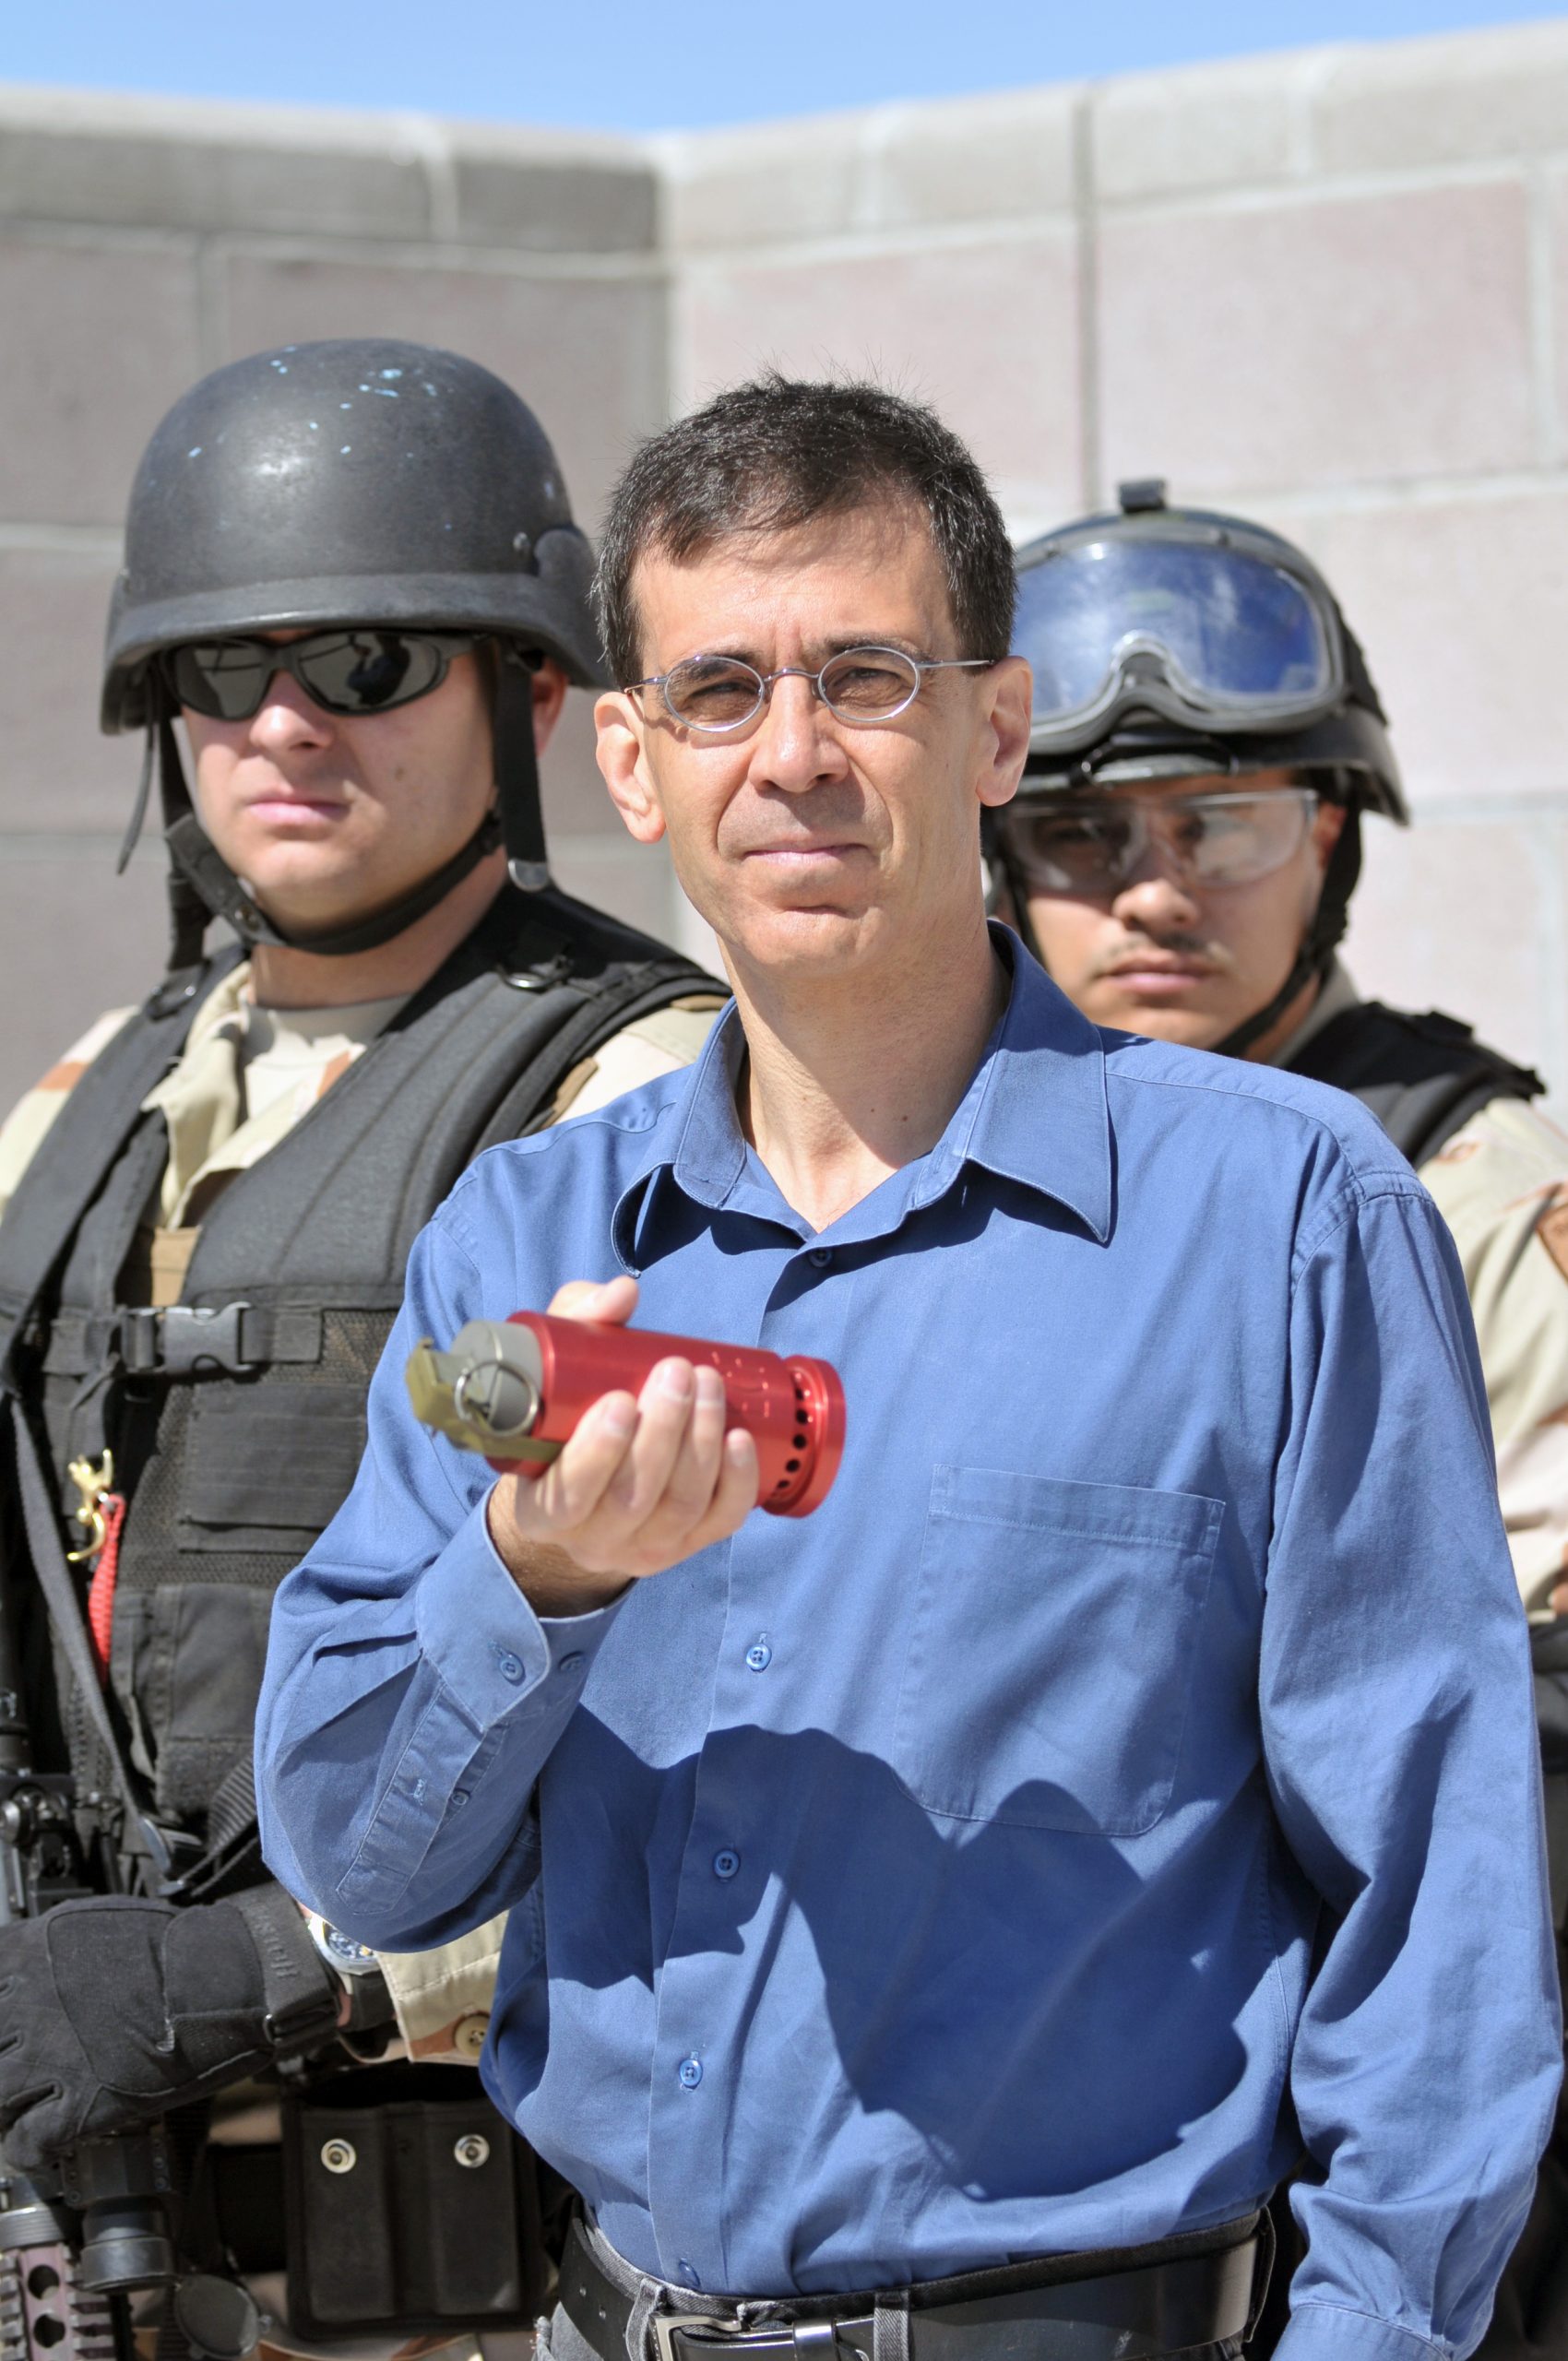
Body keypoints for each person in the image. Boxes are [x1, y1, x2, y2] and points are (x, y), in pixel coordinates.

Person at [255, 376, 1559, 2361]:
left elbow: (1438, 1923)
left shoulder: (1286, 1218)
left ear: (993, 728)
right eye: (718, 693)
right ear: (630, 761)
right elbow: (364, 1859)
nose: (792, 756)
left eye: (864, 678)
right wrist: (535, 1579)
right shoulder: (520, 1242)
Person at [0, 339, 720, 2356]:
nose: (282, 723)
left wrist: (293, 1966)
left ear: (534, 699)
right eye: (220, 671)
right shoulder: (93, 1093)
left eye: (369, 659)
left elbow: (734, 1726)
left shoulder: (638, 1098)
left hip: (456, 2237)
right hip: (97, 2220)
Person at [987, 479, 1568, 2357]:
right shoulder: (965, 1171)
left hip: (1387, 2146)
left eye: (1220, 822)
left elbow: (1516, 1770)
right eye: (1080, 832)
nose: (1155, 891)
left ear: (1328, 836)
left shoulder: (1469, 1187)